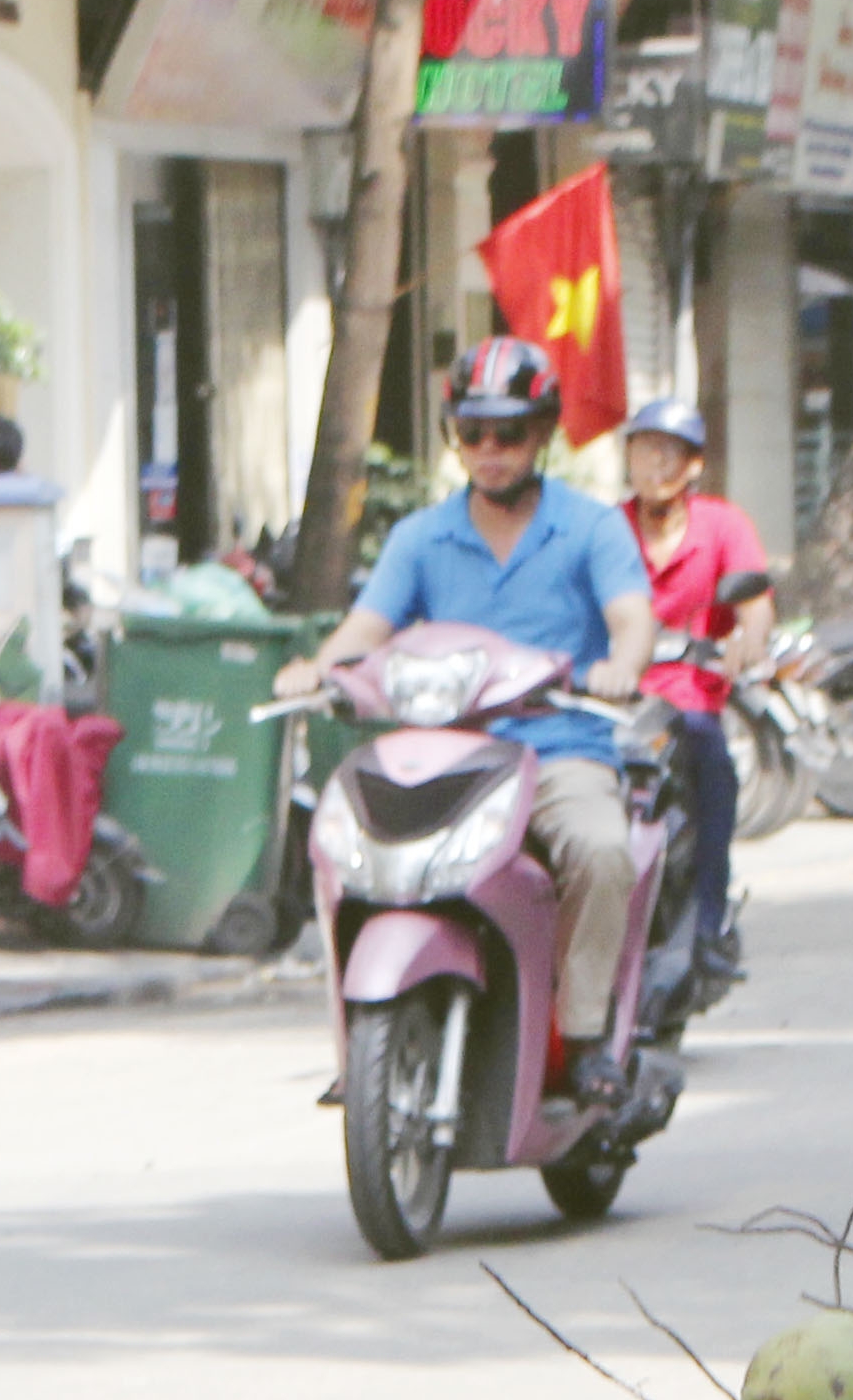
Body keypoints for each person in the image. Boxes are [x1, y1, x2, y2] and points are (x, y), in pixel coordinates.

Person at [276, 338, 660, 1106]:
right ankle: (366, 1037)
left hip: (557, 748)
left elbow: (632, 618)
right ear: (455, 436)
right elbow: (368, 627)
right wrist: (319, 668)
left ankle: (585, 1040)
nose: (490, 451)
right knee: (340, 845)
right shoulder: (422, 536)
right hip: (443, 757)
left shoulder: (591, 528)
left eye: (509, 432)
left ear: (542, 433)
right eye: (473, 433)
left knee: (599, 847)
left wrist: (623, 664)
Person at [617, 395, 770, 983]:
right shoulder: (607, 530)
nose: (655, 463)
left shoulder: (724, 525)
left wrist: (747, 640)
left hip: (687, 699)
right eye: (643, 449)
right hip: (613, 701)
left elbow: (754, 607)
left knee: (714, 770)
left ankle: (708, 925)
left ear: (693, 465)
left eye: (669, 452)